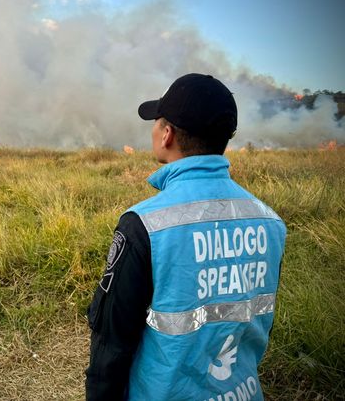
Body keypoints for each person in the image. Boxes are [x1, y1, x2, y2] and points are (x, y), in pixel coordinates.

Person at [85, 74, 286, 400]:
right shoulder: (271, 222)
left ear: (167, 135)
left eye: (156, 123)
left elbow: (112, 341)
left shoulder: (144, 224)